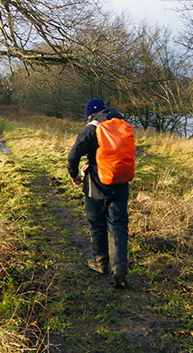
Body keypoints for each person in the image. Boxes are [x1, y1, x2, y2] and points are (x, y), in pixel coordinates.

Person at [67, 98, 130, 289]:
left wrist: (74, 174)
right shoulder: (122, 125)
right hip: (120, 183)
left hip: (96, 186)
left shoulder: (91, 128)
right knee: (118, 225)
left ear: (89, 114)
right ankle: (119, 269)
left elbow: (73, 155)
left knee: (97, 224)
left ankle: (100, 262)